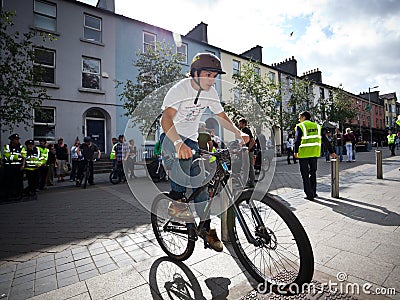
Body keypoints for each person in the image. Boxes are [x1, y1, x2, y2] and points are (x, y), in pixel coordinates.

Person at [160, 52, 249, 252]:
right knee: (184, 156)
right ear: (195, 73)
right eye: (208, 75)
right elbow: (166, 119)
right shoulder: (180, 89)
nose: (212, 80)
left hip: (191, 139)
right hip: (170, 136)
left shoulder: (211, 93)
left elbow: (221, 116)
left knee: (201, 183)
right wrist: (177, 144)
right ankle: (176, 201)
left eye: (215, 76)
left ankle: (206, 228)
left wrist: (237, 132)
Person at [294, 111, 336, 201]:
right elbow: (325, 140)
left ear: (304, 117)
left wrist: (295, 151)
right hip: (314, 153)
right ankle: (313, 192)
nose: (299, 119)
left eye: (299, 117)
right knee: (313, 173)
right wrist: (331, 151)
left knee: (305, 175)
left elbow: (297, 140)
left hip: (304, 154)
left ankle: (309, 195)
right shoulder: (317, 126)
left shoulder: (300, 126)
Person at [2, 133, 26, 199]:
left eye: (18, 139)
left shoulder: (21, 147)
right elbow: (7, 156)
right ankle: (9, 194)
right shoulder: (7, 147)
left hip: (18, 167)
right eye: (15, 139)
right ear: (12, 140)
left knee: (19, 181)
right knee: (9, 181)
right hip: (8, 167)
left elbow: (23, 157)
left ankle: (19, 194)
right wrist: (17, 156)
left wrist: (23, 165)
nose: (17, 141)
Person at [238, 118, 256, 188]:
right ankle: (250, 182)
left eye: (240, 123)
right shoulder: (244, 130)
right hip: (246, 150)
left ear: (243, 124)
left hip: (248, 151)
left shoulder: (246, 130)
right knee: (248, 166)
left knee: (247, 167)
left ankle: (249, 183)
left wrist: (247, 150)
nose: (239, 124)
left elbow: (252, 141)